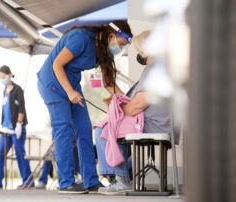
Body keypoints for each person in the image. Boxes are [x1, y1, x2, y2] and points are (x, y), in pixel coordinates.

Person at [37, 20, 133, 194]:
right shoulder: (80, 39)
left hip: (72, 85)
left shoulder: (104, 51)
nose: (120, 49)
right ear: (111, 35)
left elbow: (109, 83)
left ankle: (91, 181)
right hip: (53, 83)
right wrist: (69, 91)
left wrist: (127, 101)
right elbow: (57, 65)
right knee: (64, 129)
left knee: (85, 129)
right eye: (120, 44)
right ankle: (66, 183)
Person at [95, 30, 171, 195]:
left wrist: (119, 114)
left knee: (103, 130)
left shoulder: (155, 68)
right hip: (161, 124)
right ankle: (122, 178)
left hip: (153, 125)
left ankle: (122, 182)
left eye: (140, 51)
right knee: (115, 134)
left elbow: (140, 103)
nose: (140, 55)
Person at [0, 65, 33, 189]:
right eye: (0, 78)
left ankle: (28, 181)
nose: (2, 80)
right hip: (6, 129)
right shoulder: (4, 90)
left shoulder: (18, 90)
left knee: (20, 153)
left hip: (16, 128)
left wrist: (19, 124)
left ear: (9, 75)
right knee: (0, 153)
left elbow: (21, 107)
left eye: (3, 77)